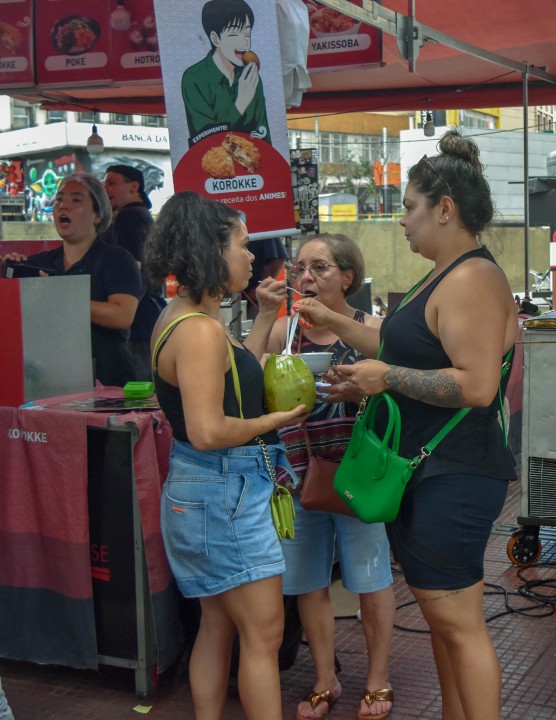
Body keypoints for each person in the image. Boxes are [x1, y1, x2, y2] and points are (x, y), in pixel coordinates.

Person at [295, 130, 518, 720]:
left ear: (445, 209)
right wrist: (333, 321)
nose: (400, 221)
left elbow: (475, 386)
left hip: (456, 472)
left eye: (409, 207)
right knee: (445, 623)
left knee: (459, 624)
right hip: (430, 472)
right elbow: (401, 345)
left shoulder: (471, 279)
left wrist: (385, 378)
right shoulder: (441, 275)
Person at [143, 191, 309, 720]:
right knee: (263, 634)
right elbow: (210, 429)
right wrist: (277, 422)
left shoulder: (189, 317)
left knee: (217, 625)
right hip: (223, 489)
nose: (250, 258)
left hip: (210, 491)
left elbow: (236, 379)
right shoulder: (198, 330)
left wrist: (262, 316)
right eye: (241, 245)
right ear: (210, 251)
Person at [258, 234, 396, 720]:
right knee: (307, 583)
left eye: (319, 268)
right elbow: (257, 389)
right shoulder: (285, 333)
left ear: (347, 277)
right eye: (299, 269)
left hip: (360, 473)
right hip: (299, 472)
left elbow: (398, 396)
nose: (305, 278)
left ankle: (378, 679)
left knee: (371, 580)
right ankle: (325, 678)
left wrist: (358, 394)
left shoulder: (371, 330)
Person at [0, 172, 143, 388]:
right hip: (48, 384)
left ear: (98, 214)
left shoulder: (116, 259)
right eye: (59, 200)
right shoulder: (39, 263)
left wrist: (58, 296)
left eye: (76, 200)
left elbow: (122, 315)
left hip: (107, 385)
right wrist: (10, 273)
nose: (63, 206)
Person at [104, 164, 163, 381]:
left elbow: (134, 265)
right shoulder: (142, 215)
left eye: (112, 182)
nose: (105, 187)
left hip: (138, 320)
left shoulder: (129, 217)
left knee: (139, 391)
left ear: (134, 186)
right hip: (149, 317)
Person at [182, 0, 270, 144]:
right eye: (235, 34)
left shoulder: (251, 77)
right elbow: (206, 137)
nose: (245, 42)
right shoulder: (194, 78)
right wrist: (240, 103)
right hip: (213, 163)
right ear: (215, 39)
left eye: (247, 34)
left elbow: (263, 133)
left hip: (252, 163)